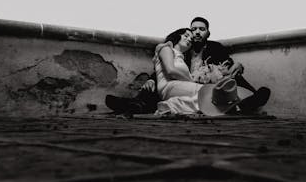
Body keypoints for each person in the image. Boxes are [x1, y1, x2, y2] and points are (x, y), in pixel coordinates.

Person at [105, 17, 270, 114]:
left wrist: (237, 66)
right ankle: (134, 105)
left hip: (208, 83)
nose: (197, 32)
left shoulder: (216, 47)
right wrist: (150, 79)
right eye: (194, 29)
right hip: (182, 84)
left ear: (208, 33)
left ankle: (252, 98)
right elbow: (165, 67)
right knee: (158, 86)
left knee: (234, 75)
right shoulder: (180, 49)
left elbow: (227, 64)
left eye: (202, 29)